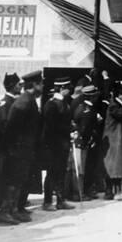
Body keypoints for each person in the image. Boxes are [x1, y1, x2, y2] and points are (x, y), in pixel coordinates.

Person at [5, 70, 44, 222]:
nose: (43, 87)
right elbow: (11, 128)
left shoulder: (29, 100)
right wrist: (14, 150)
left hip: (25, 149)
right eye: (41, 84)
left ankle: (15, 209)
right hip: (18, 150)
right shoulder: (23, 102)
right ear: (34, 84)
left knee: (21, 180)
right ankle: (6, 212)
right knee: (15, 181)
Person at [0, 73, 22, 225]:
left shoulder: (12, 102)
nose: (21, 87)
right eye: (18, 85)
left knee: (12, 180)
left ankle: (11, 209)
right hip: (6, 150)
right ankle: (4, 212)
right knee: (7, 181)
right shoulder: (5, 103)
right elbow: (2, 127)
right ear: (12, 86)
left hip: (11, 149)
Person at [41, 77, 76, 211]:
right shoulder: (51, 104)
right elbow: (50, 127)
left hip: (63, 144)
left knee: (61, 172)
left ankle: (61, 200)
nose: (70, 90)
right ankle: (47, 202)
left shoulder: (64, 103)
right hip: (53, 146)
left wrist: (71, 127)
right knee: (51, 173)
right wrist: (68, 129)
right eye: (68, 88)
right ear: (62, 89)